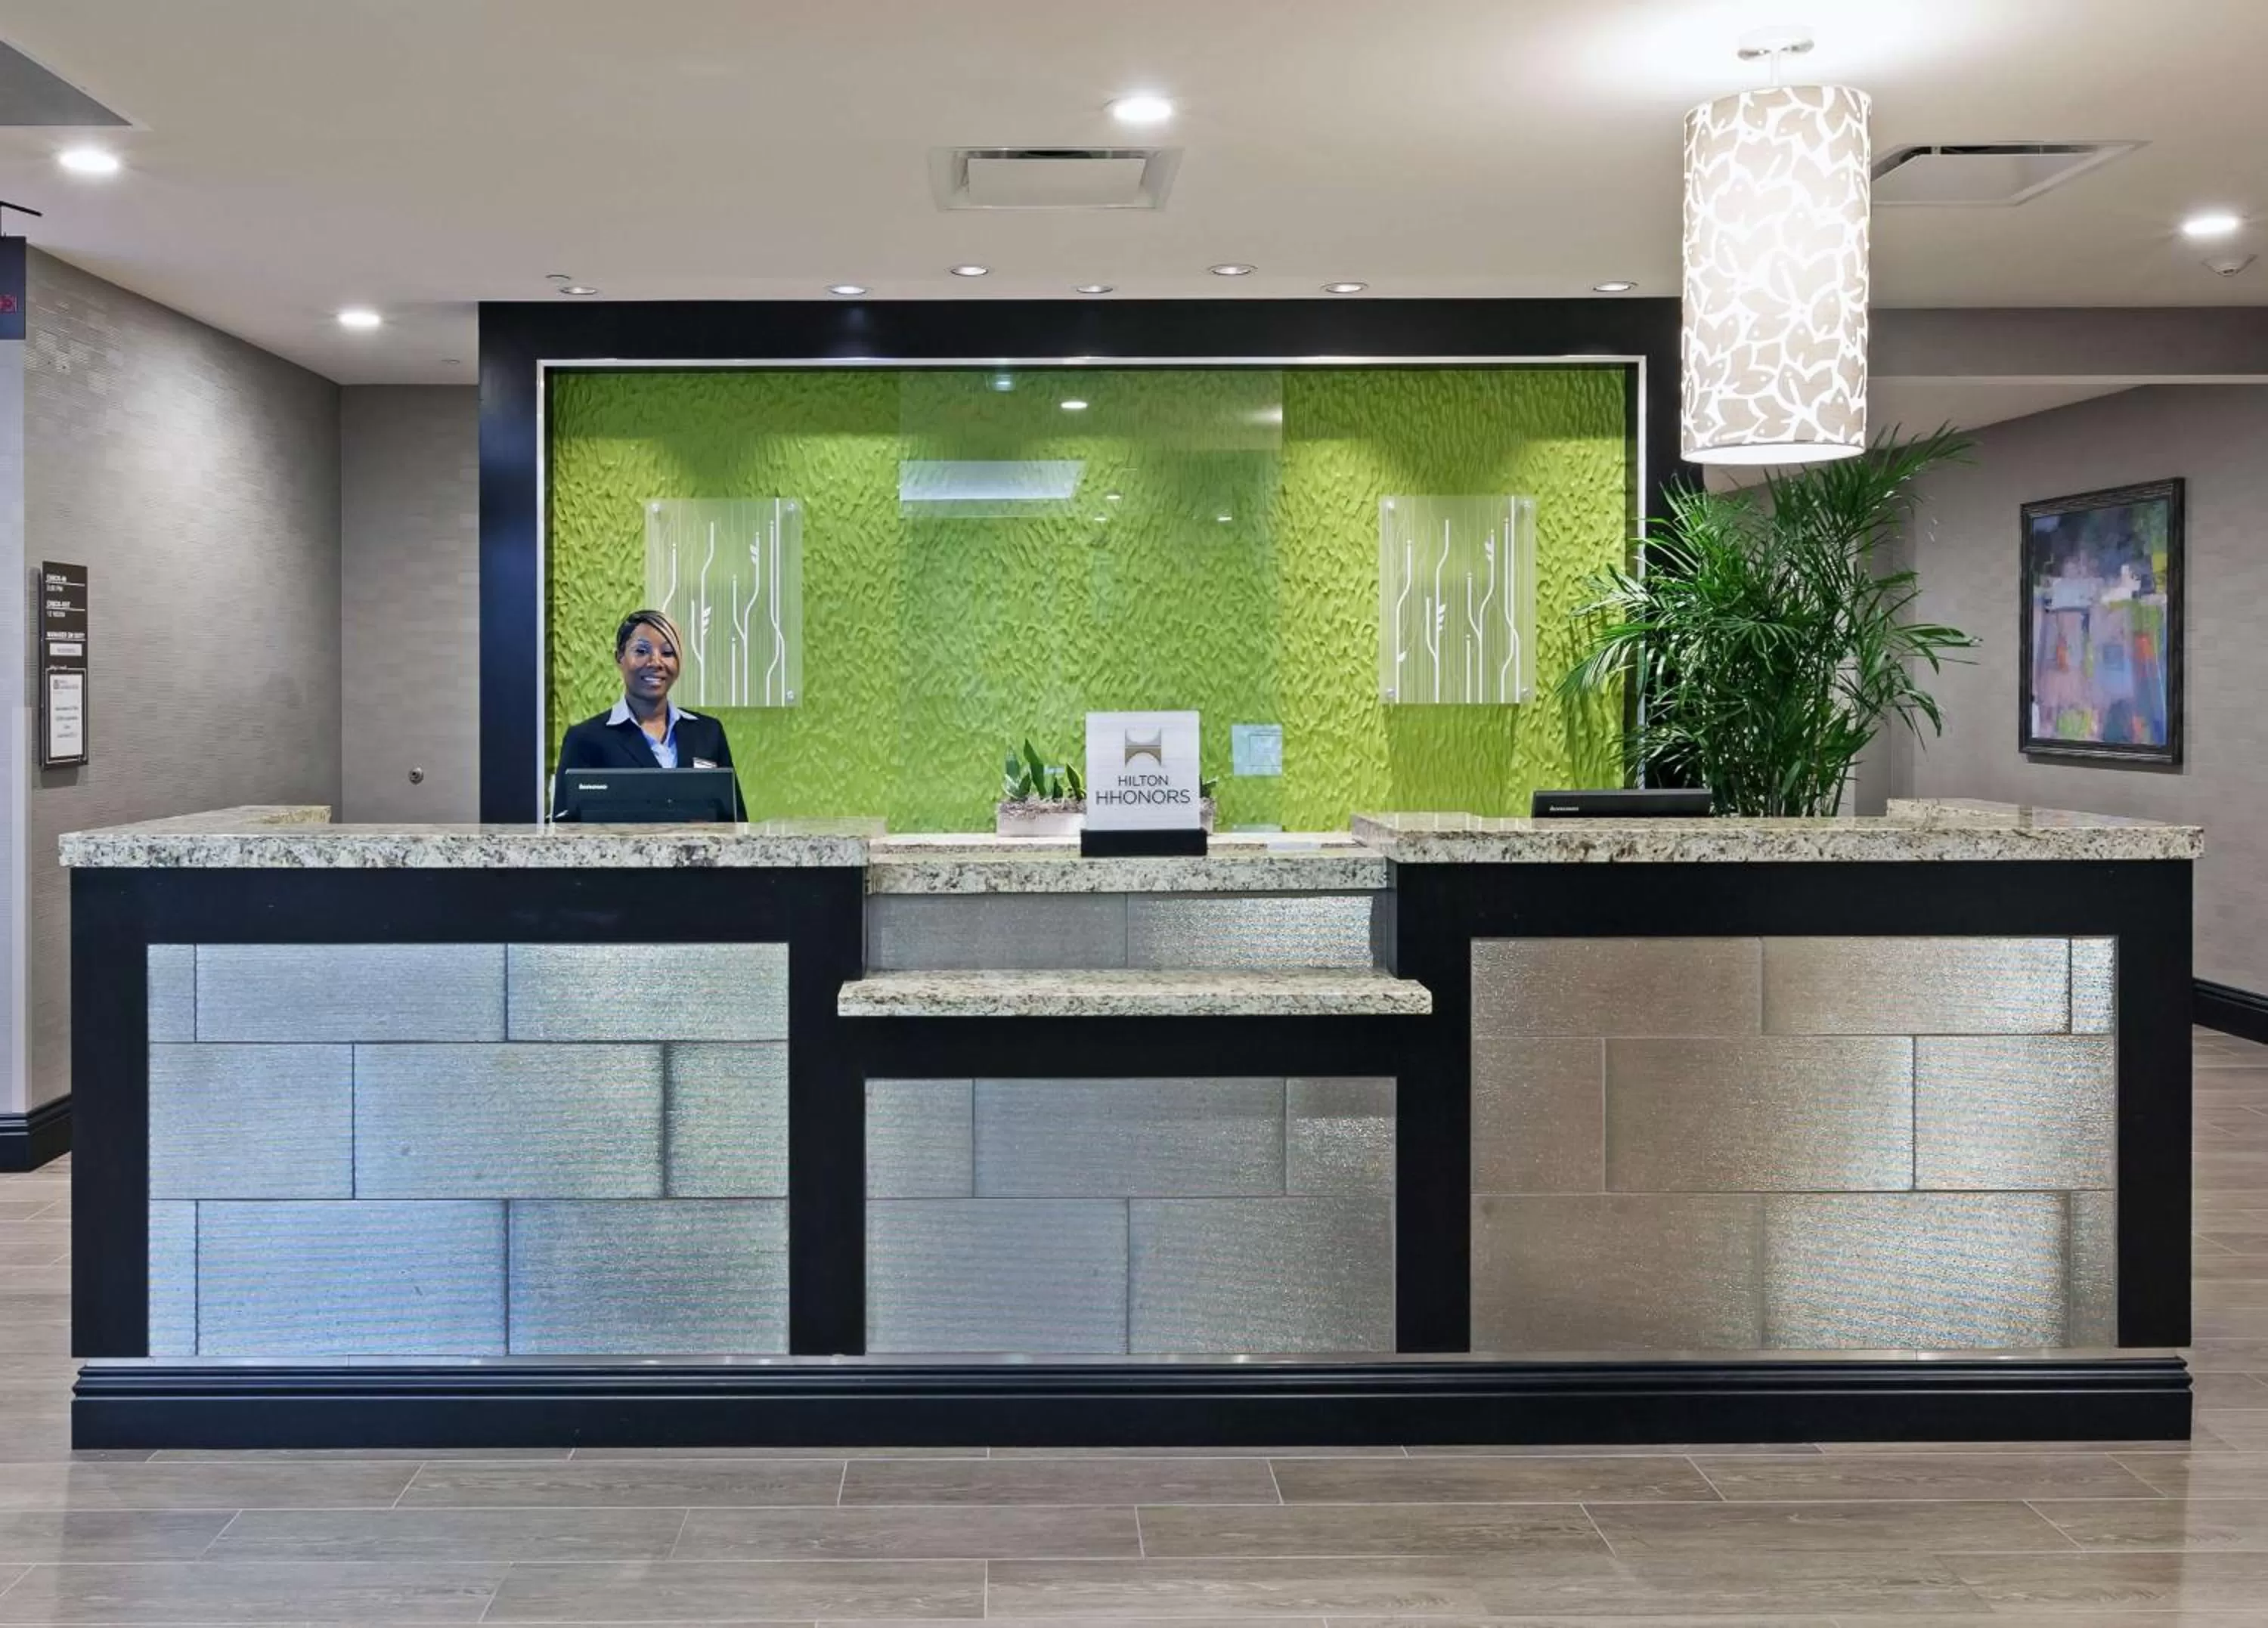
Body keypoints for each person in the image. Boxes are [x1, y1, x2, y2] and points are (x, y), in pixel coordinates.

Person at [556, 609, 746, 817]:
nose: (655, 662)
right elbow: (564, 836)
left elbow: (735, 821)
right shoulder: (585, 740)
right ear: (619, 657)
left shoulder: (708, 733)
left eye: (667, 653)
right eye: (641, 651)